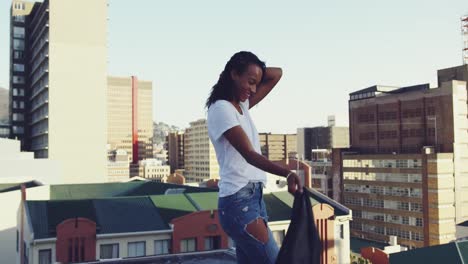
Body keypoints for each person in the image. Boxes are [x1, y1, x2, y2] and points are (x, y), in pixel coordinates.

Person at [206, 51, 303, 264]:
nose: (252, 89)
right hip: (240, 202)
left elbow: (277, 74)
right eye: (250, 82)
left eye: (256, 83)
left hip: (253, 199)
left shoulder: (241, 105)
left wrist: (254, 69)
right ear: (233, 74)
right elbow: (249, 155)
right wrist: (287, 173)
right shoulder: (221, 109)